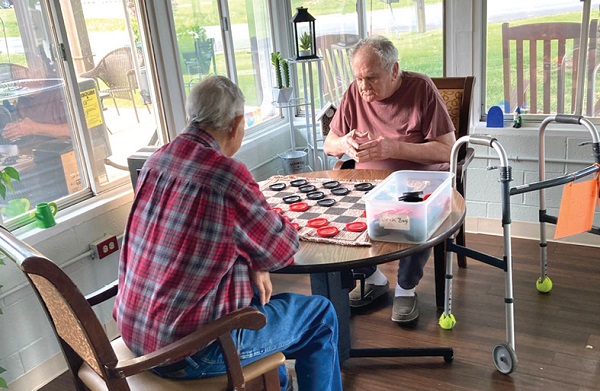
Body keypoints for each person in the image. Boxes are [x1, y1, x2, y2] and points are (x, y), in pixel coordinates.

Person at [113, 75, 343, 391]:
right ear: (235, 125)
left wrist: (252, 261)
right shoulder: (227, 175)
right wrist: (268, 231)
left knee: (258, 313)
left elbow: (200, 243)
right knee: (320, 316)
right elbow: (282, 248)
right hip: (190, 351)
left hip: (136, 334)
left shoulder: (158, 160)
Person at [323, 35, 456, 323]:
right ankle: (375, 278)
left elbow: (448, 148)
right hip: (366, 182)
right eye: (358, 78)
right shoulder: (354, 92)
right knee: (335, 213)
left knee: (413, 214)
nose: (362, 87)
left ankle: (406, 289)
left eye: (371, 78)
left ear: (394, 70)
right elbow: (328, 143)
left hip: (415, 183)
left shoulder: (421, 89)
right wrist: (344, 143)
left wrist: (395, 148)